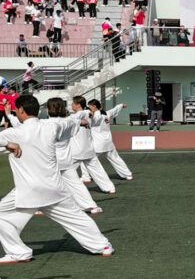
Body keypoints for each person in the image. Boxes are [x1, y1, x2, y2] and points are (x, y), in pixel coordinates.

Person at [0, 95, 114, 265]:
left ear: (21, 110)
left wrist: (9, 144)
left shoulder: (13, 133)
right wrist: (81, 120)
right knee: (77, 217)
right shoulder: (51, 127)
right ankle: (103, 245)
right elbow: (71, 122)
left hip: (28, 191)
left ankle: (19, 252)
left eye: (17, 109)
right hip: (54, 187)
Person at [70, 97, 116, 194]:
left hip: (77, 150)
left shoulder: (80, 115)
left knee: (64, 172)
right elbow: (97, 118)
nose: (71, 105)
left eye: (73, 103)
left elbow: (72, 118)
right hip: (88, 149)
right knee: (98, 170)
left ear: (78, 104)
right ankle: (109, 188)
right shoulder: (90, 114)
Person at [87, 100, 133, 180]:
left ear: (94, 106)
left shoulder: (96, 117)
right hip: (108, 143)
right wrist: (121, 105)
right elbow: (115, 109)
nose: (89, 108)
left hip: (98, 144)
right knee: (116, 159)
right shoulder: (106, 114)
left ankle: (86, 177)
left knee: (87, 159)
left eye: (89, 106)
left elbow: (94, 119)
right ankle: (128, 174)